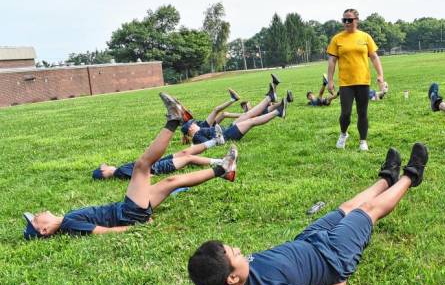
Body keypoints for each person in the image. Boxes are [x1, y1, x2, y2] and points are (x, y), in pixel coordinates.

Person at [187, 143, 429, 285]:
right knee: (367, 211)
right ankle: (412, 175)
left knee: (346, 207)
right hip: (332, 256)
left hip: (308, 240)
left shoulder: (225, 281)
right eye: (235, 253)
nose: (239, 250)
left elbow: (216, 281)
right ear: (232, 278)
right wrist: (343, 275)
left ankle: (387, 178)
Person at [22, 93, 239, 239]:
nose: (39, 213)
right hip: (128, 213)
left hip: (129, 210)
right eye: (36, 219)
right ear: (43, 229)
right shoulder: (69, 224)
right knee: (142, 165)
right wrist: (138, 226)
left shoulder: (68, 219)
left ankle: (223, 169)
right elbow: (102, 231)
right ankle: (174, 119)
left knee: (173, 181)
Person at [326, 8, 386, 151]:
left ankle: (363, 141)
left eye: (350, 20)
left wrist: (380, 75)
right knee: (345, 113)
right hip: (346, 83)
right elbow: (332, 61)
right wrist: (330, 80)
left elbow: (374, 57)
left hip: (363, 81)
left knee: (362, 113)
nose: (347, 22)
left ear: (356, 20)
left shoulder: (365, 37)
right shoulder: (337, 39)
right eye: (344, 20)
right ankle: (343, 134)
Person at [182, 87, 287, 145]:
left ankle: (269, 98)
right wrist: (217, 137)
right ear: (190, 129)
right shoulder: (196, 137)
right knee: (252, 121)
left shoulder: (199, 131)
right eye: (193, 123)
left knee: (248, 114)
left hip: (228, 129)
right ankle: (278, 111)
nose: (195, 123)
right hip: (227, 136)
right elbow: (207, 145)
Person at [92, 140, 225, 180]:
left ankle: (215, 141)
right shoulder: (120, 171)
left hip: (156, 162)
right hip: (158, 167)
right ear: (103, 172)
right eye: (104, 166)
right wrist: (155, 175)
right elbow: (141, 174)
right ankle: (221, 162)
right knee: (187, 158)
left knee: (184, 152)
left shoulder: (120, 171)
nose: (107, 165)